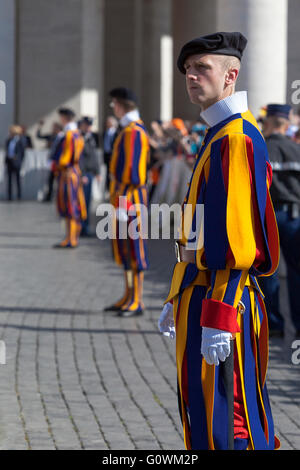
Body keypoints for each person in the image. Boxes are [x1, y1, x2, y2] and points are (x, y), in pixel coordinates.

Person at [158, 32, 280, 450]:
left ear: (231, 74)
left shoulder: (234, 138)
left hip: (222, 301)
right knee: (203, 412)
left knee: (231, 421)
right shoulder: (217, 133)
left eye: (201, 68)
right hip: (202, 294)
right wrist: (177, 294)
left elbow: (235, 240)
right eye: (187, 70)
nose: (191, 76)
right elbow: (199, 227)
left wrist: (221, 314)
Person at [104, 87, 149, 317]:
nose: (113, 107)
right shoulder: (128, 130)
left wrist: (122, 198)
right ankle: (129, 294)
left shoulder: (134, 132)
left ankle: (137, 300)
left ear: (123, 105)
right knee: (124, 249)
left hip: (130, 198)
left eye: (115, 103)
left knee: (134, 249)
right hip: (123, 197)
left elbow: (133, 173)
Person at [259, 104, 300, 338]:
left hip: (269, 217)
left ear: (273, 122)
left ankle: (274, 323)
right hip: (294, 215)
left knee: (269, 272)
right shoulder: (296, 149)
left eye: (265, 121)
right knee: (296, 273)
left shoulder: (263, 149)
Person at [52, 108, 87, 248]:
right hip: (74, 173)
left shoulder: (69, 136)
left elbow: (65, 158)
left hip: (68, 174)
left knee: (70, 206)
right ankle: (70, 237)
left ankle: (71, 238)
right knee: (72, 205)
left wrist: (58, 165)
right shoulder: (77, 134)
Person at [78, 116, 101, 236]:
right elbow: (79, 158)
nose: (88, 127)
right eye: (87, 125)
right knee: (82, 201)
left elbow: (94, 156)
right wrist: (81, 174)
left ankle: (85, 226)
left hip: (90, 173)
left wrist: (97, 172)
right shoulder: (79, 138)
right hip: (84, 174)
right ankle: (81, 227)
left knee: (87, 202)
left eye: (90, 125)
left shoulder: (90, 137)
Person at [36, 120, 64, 201]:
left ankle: (60, 197)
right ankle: (49, 196)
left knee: (59, 180)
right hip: (53, 162)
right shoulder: (51, 136)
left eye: (54, 127)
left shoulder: (62, 137)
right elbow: (39, 136)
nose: (53, 129)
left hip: (59, 162)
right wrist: (40, 127)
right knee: (50, 179)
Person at [5, 125, 26, 201]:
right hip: (9, 162)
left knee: (17, 180)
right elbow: (7, 150)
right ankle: (9, 196)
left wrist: (18, 159)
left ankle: (19, 196)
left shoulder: (20, 140)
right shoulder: (8, 140)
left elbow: (22, 152)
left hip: (16, 163)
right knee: (9, 180)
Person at [103, 116, 118, 192]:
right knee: (107, 173)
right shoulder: (106, 132)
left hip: (113, 155)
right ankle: (108, 189)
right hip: (107, 155)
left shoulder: (117, 133)